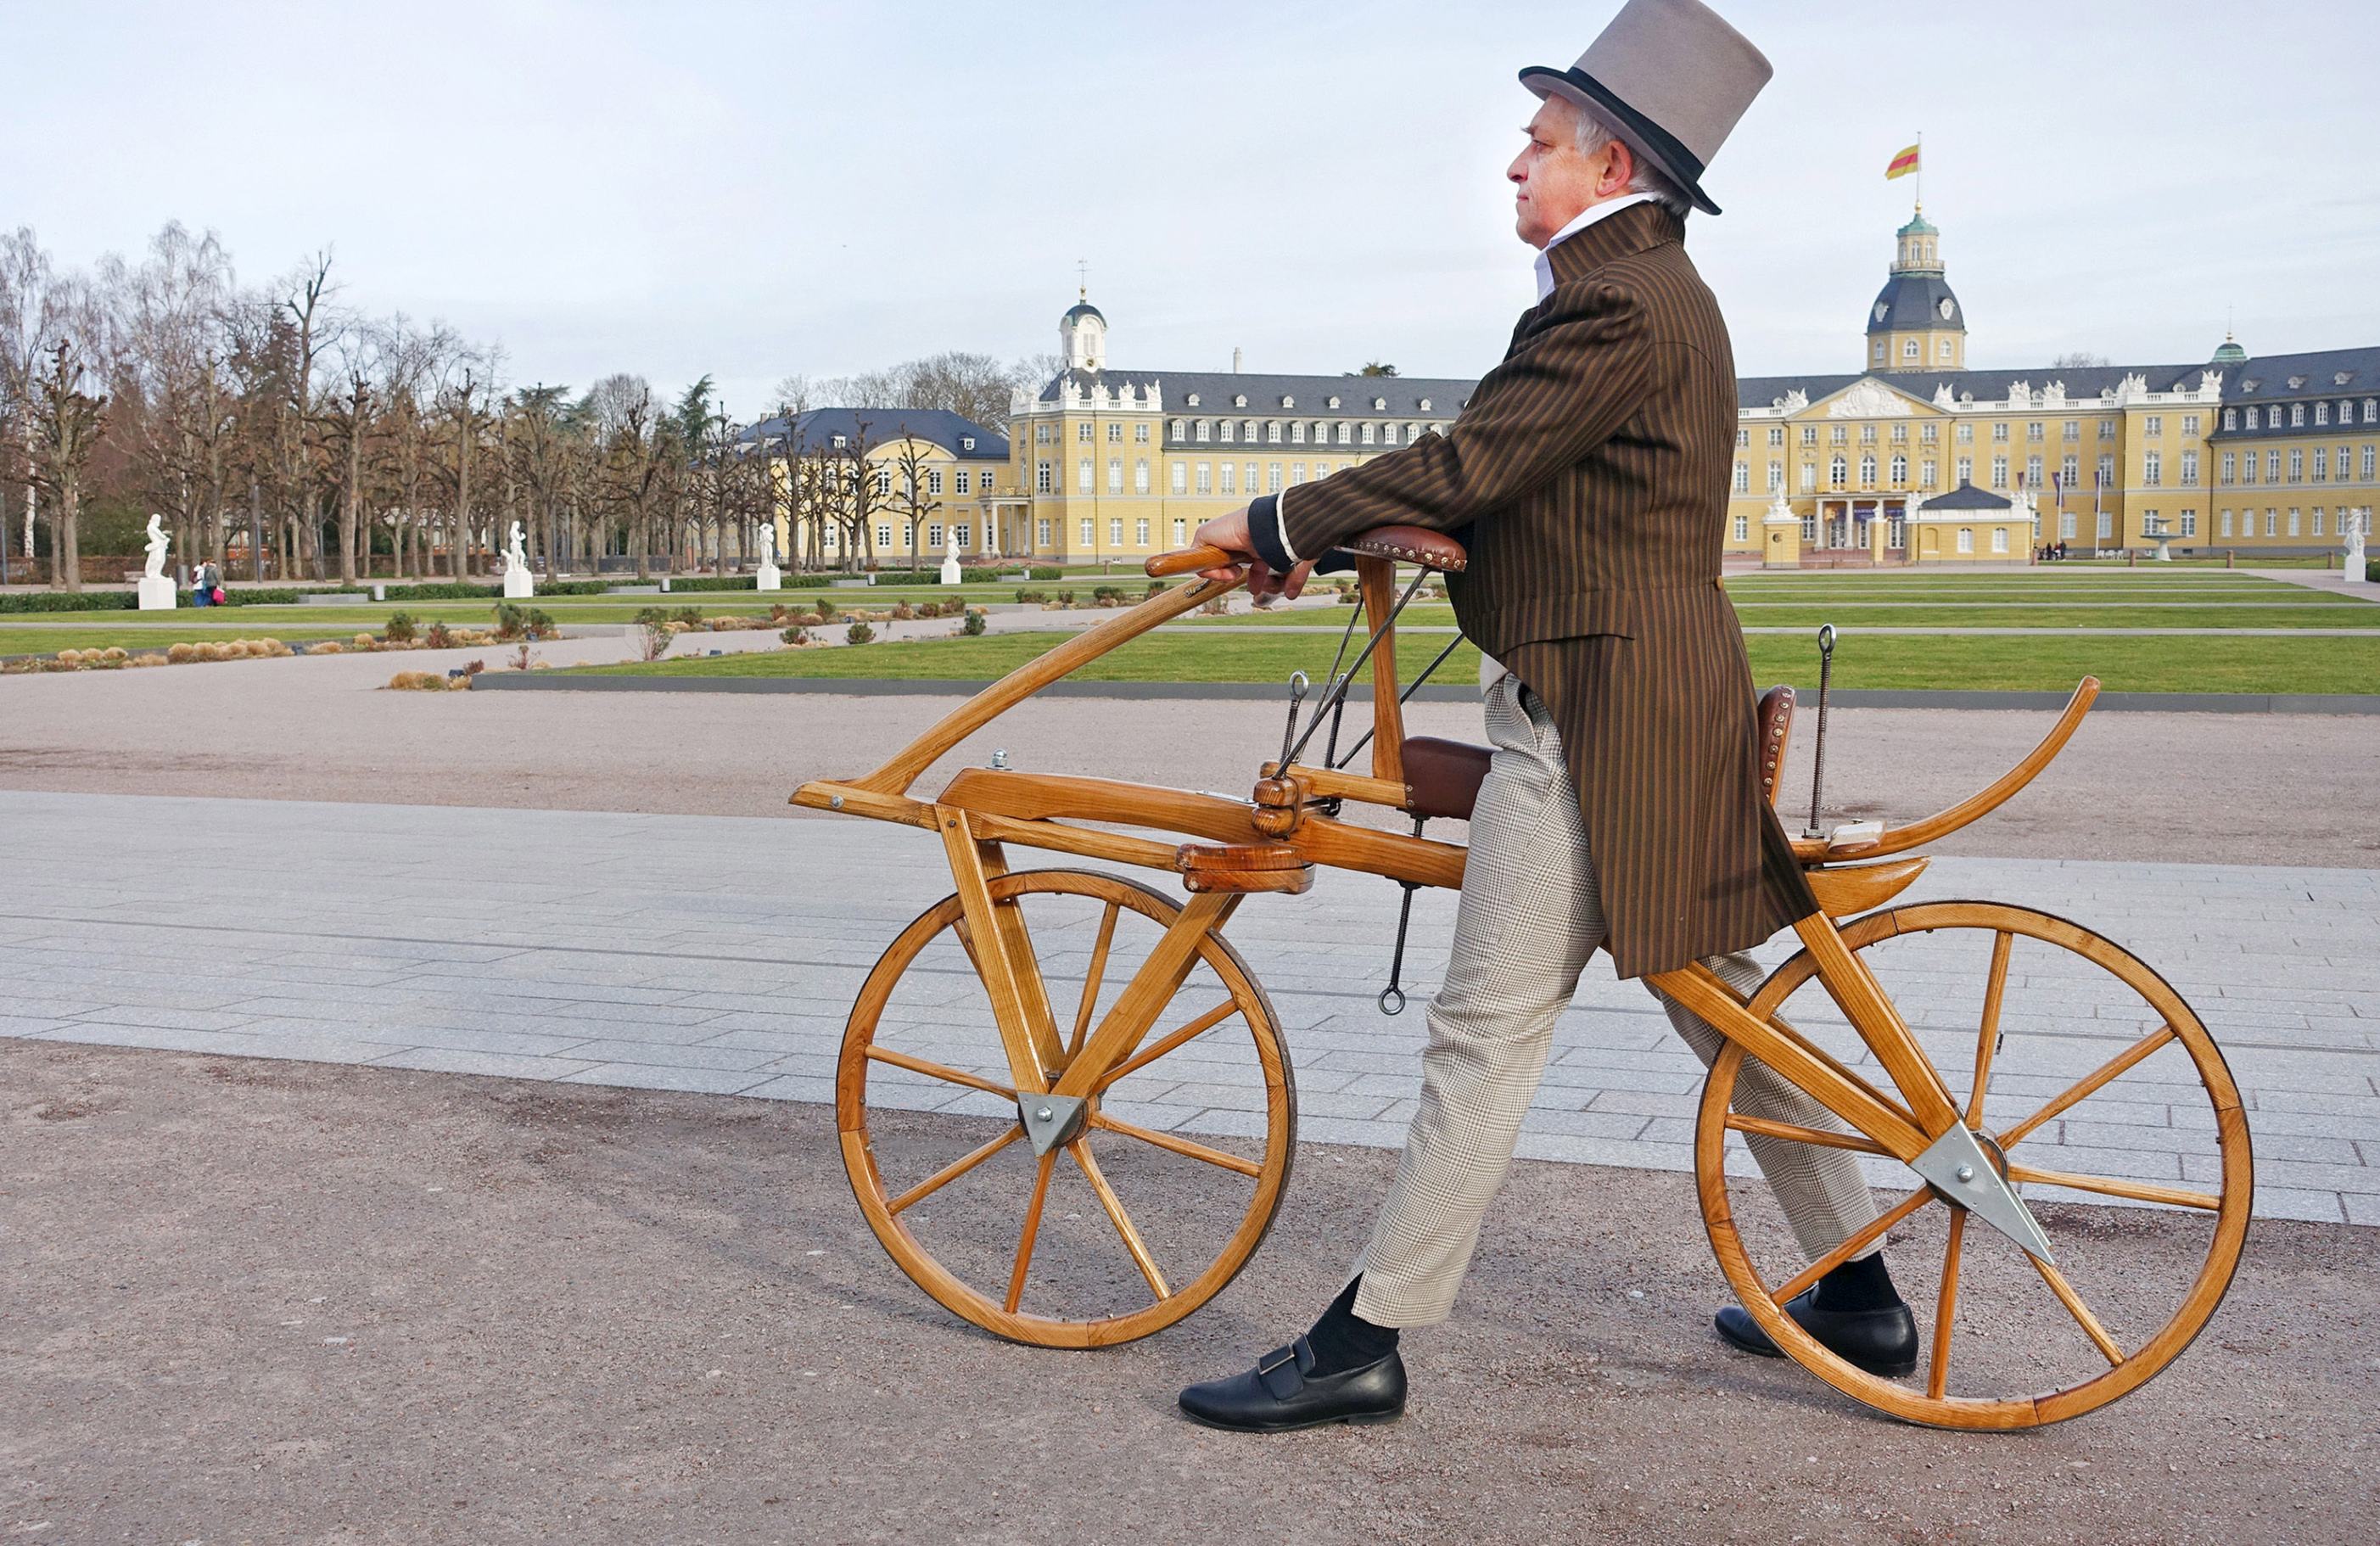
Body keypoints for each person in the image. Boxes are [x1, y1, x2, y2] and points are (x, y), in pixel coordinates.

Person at [1174, 0, 1911, 1434]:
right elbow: (1529, 490)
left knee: (1485, 1027)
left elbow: (1473, 459)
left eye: (1539, 139)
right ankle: (1858, 1288)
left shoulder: (1614, 303)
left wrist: (1271, 516)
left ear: (1614, 161)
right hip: (1650, 689)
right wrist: (1367, 533)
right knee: (1720, 1009)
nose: (1515, 160)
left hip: (1589, 709)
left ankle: (1363, 1337)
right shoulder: (1644, 297)